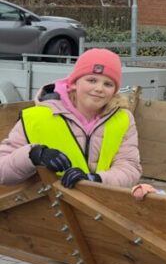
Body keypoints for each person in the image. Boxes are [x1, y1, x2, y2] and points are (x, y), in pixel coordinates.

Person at [0, 49, 141, 188]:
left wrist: (96, 179)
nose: (99, 88)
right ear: (73, 83)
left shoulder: (123, 119)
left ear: (115, 91)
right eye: (92, 80)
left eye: (108, 84)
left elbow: (129, 167)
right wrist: (32, 154)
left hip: (100, 203)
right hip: (47, 205)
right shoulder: (35, 117)